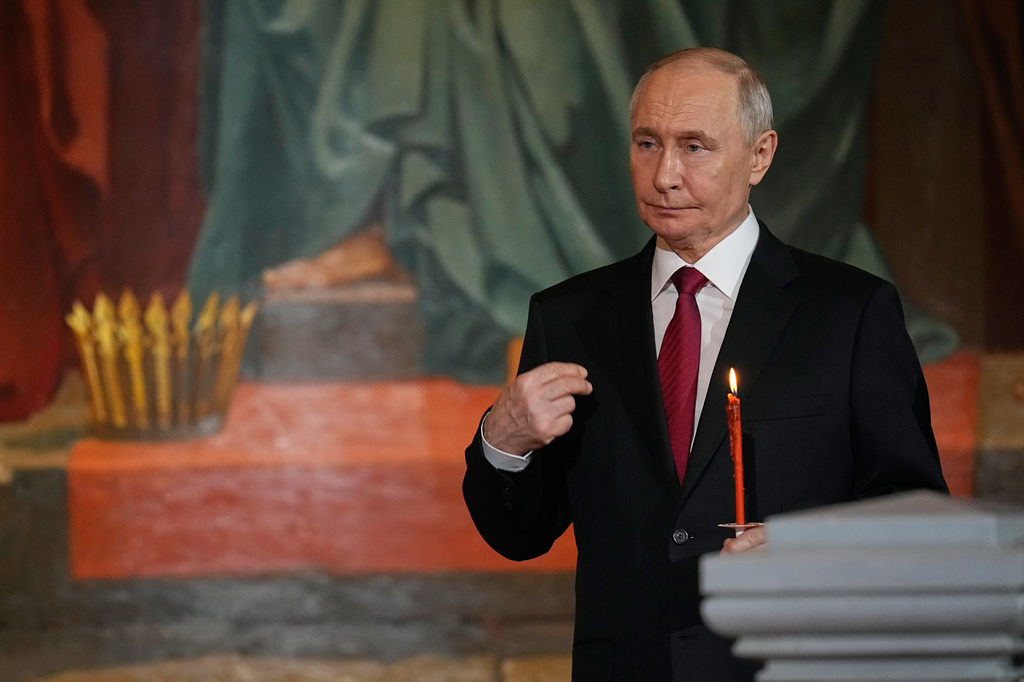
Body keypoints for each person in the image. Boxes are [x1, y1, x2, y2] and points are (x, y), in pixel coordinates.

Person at [462, 47, 948, 681]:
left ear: (760, 156)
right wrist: (503, 440)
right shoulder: (569, 317)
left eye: (694, 147)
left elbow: (917, 517)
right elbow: (518, 535)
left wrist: (821, 555)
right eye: (646, 143)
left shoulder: (851, 314)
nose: (664, 175)